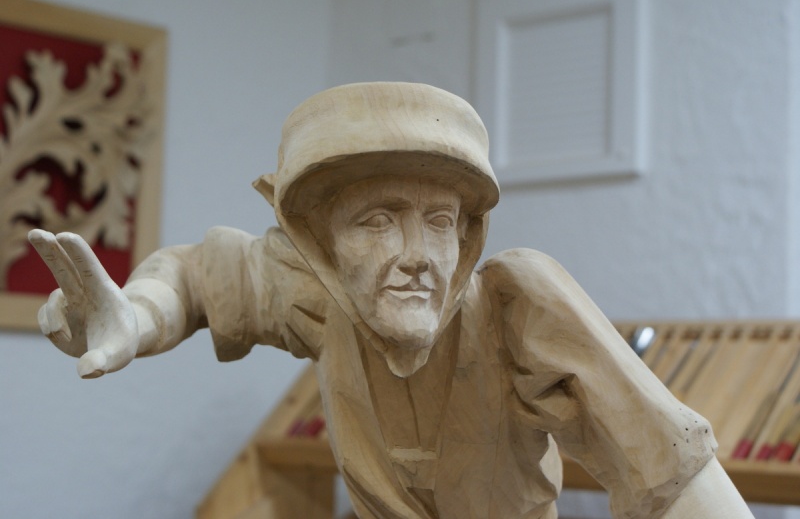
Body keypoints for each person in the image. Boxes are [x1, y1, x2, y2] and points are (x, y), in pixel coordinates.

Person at [29, 82, 753, 519]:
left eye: (438, 221)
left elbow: (674, 474)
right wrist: (136, 315)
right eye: (377, 221)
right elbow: (195, 278)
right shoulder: (317, 294)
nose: (416, 254)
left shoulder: (518, 305)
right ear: (322, 244)